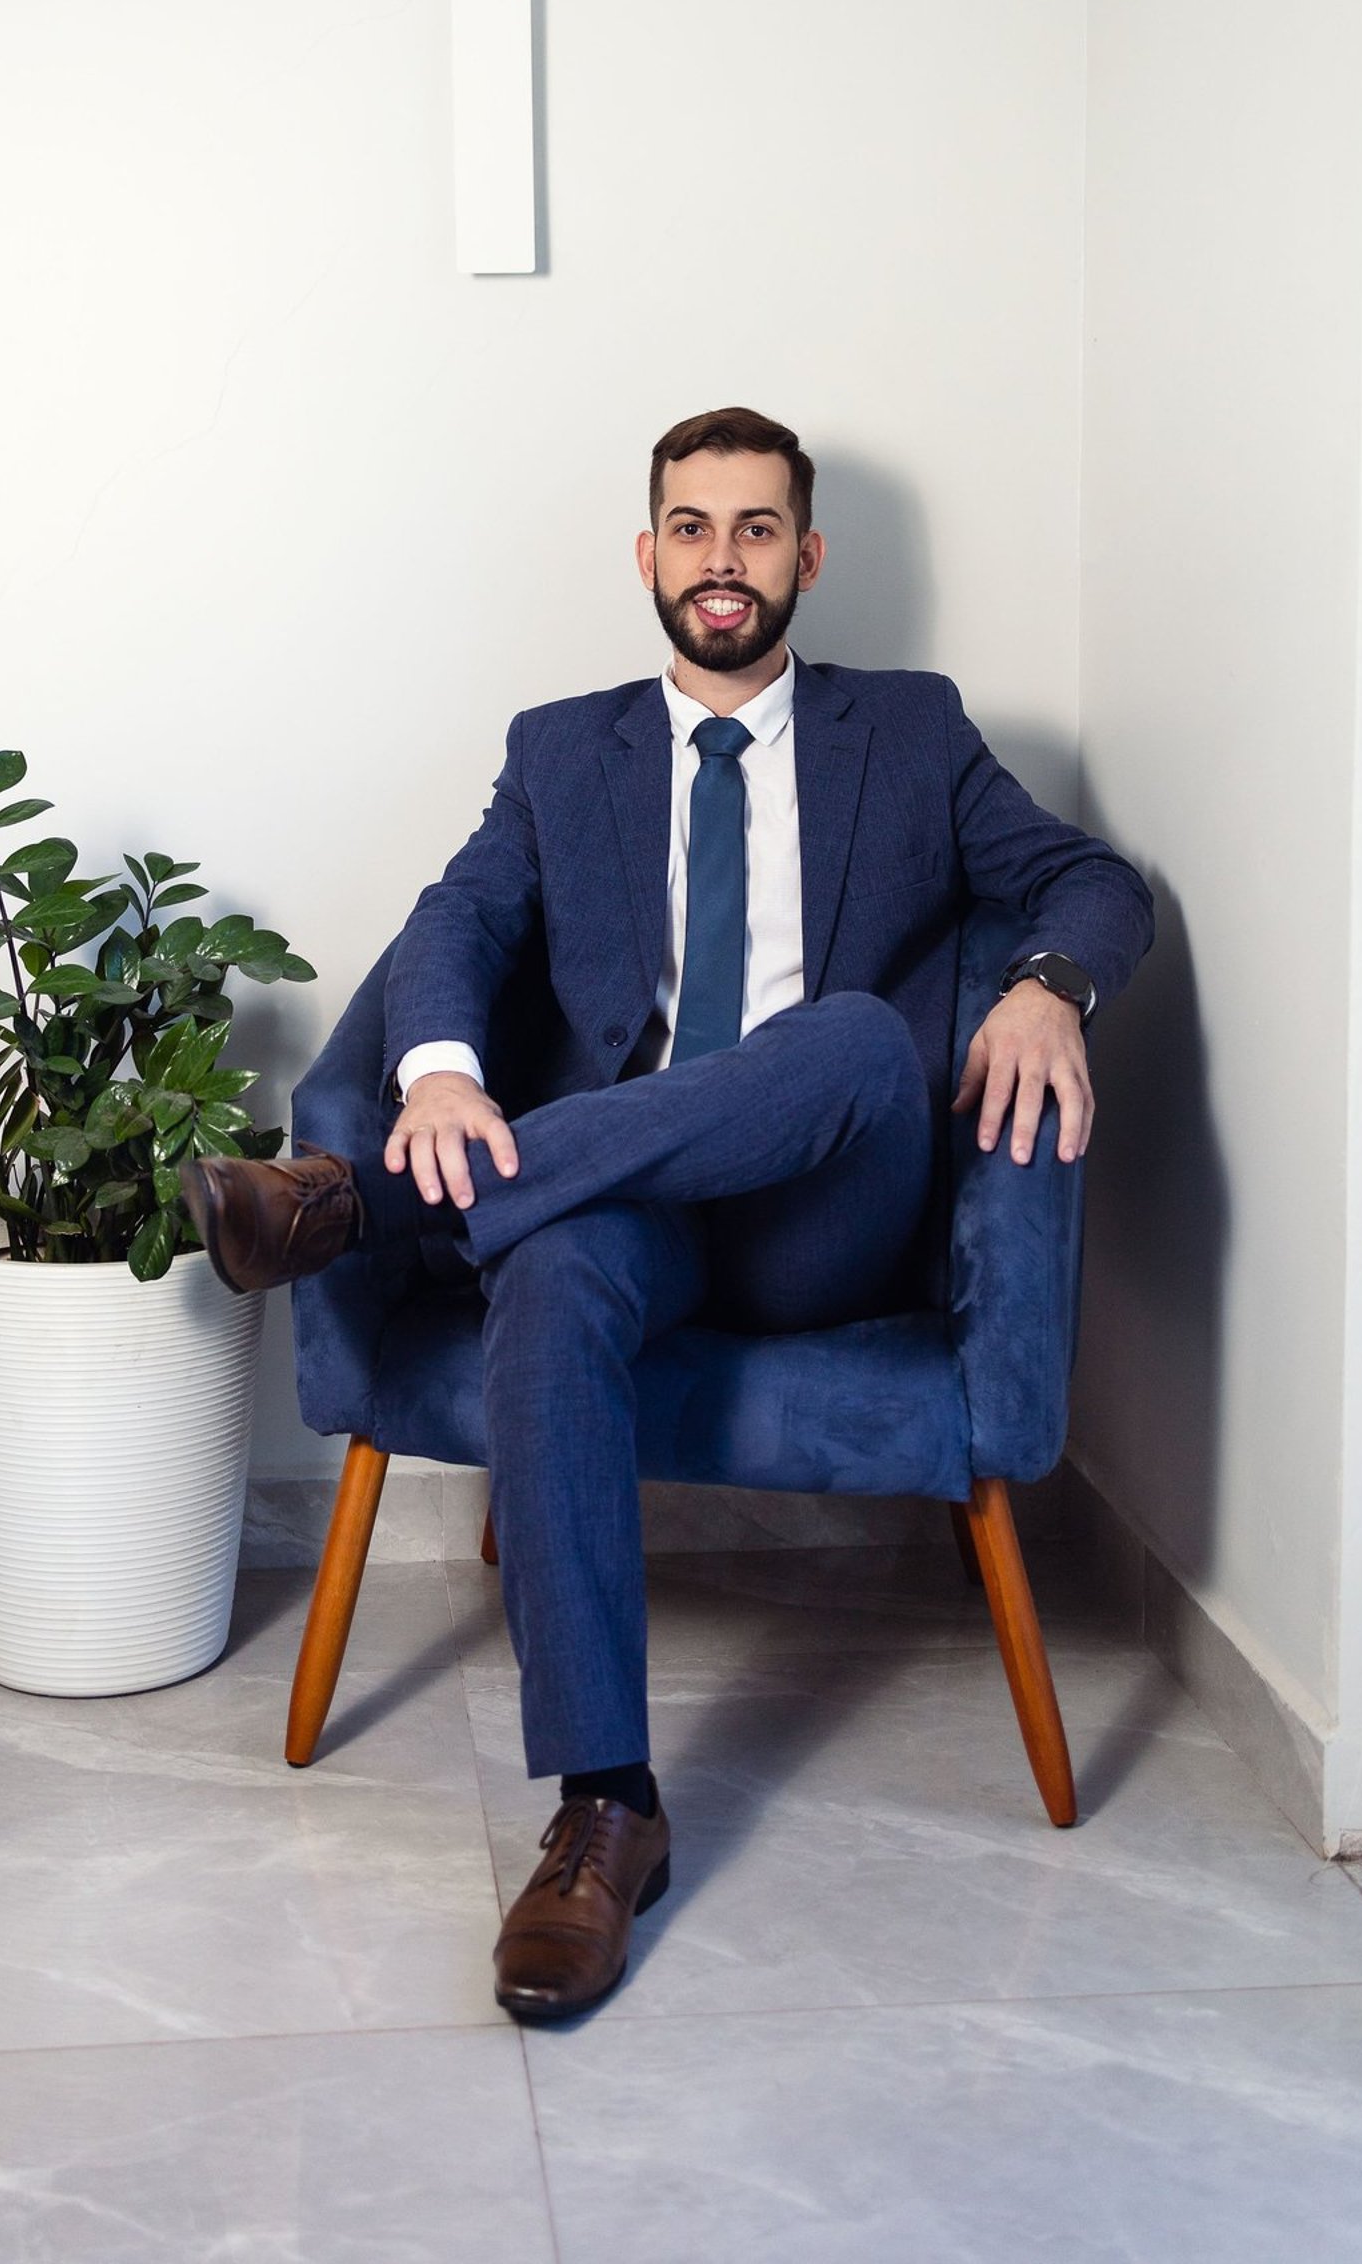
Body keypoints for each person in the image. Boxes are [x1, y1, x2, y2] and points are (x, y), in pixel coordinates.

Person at [183, 405, 1153, 2023]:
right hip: (630, 1208)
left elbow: (1095, 879)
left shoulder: (909, 734)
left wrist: (1051, 984)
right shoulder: (566, 752)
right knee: (554, 1272)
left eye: (757, 529)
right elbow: (456, 923)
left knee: (844, 1041)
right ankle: (606, 1807)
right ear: (648, 557)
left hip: (819, 1211)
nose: (724, 561)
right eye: (692, 529)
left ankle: (365, 1212)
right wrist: (430, 1072)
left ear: (808, 557)